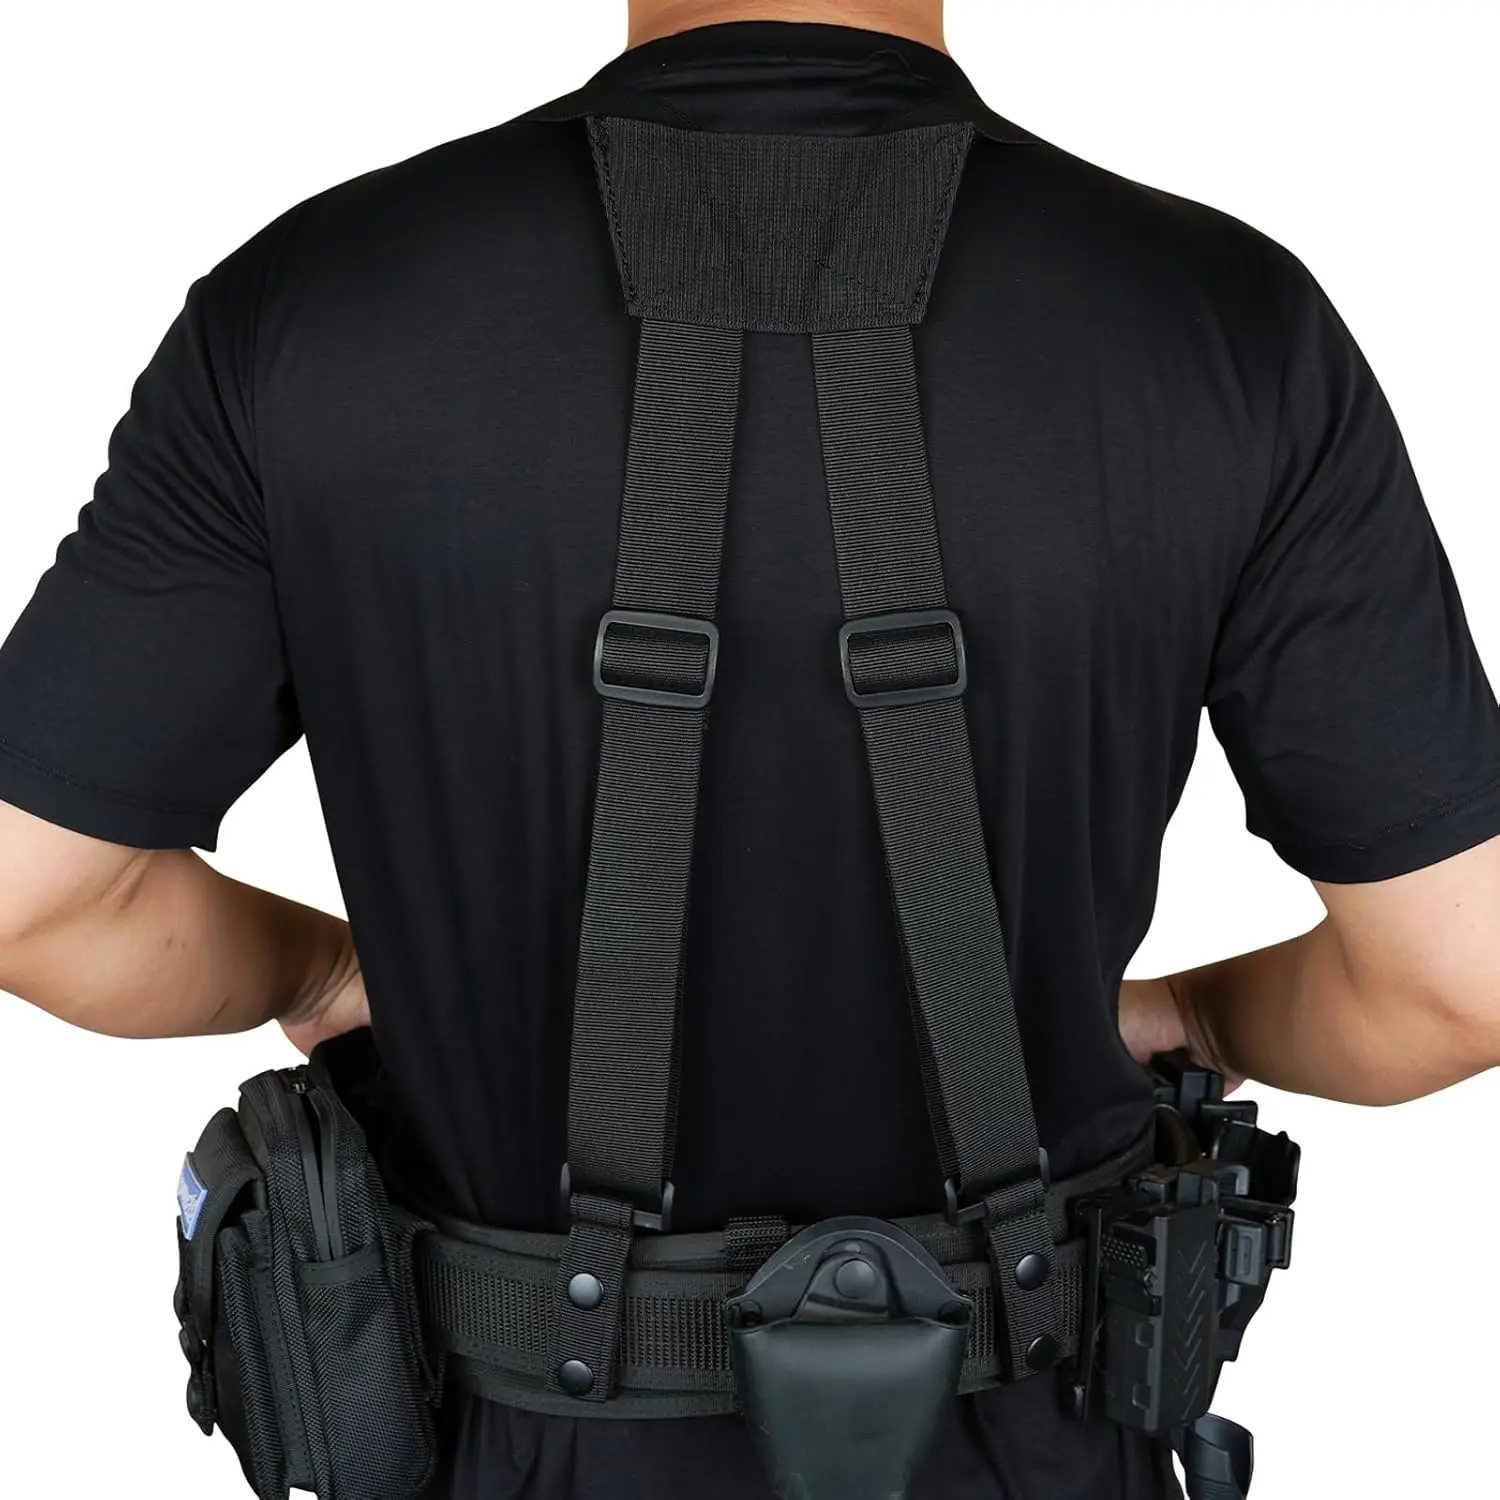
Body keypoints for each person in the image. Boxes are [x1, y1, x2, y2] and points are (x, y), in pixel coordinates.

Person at [1, 2, 1497, 1496]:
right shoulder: (1223, 321)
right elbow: (1454, 978)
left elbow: (39, 899)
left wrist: (319, 976)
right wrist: (1194, 1015)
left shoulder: (309, 307)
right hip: (1035, 1441)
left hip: (506, 1446)